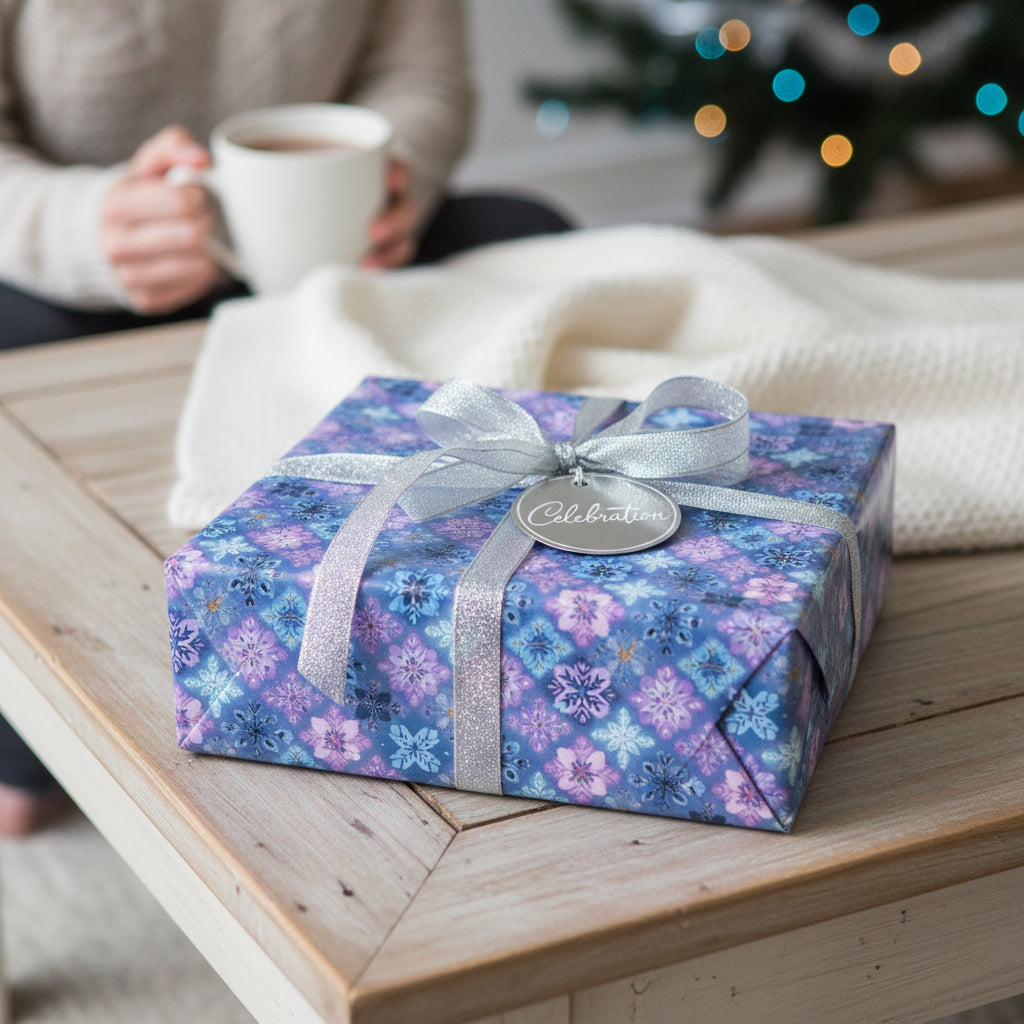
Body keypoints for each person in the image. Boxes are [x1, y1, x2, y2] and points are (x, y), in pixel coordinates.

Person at [0, 0, 572, 833]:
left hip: (325, 252)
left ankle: (496, 633)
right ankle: (27, 723)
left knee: (531, 237)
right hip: (85, 275)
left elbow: (420, 77)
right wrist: (84, 228)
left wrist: (390, 183)